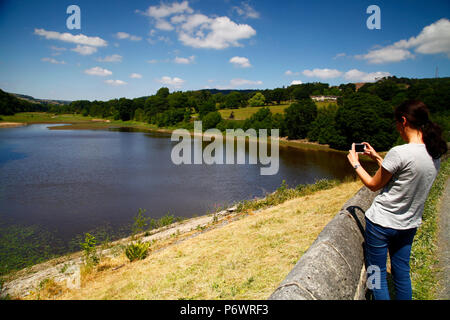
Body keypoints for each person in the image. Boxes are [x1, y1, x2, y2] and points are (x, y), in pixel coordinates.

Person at [346, 100, 447, 300]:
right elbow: (402, 174)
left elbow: (374, 184)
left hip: (381, 225)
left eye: (396, 122)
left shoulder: (399, 152)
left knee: (376, 274)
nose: (396, 127)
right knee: (402, 273)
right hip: (408, 224)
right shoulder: (434, 153)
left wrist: (356, 164)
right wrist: (376, 157)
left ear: (403, 121)